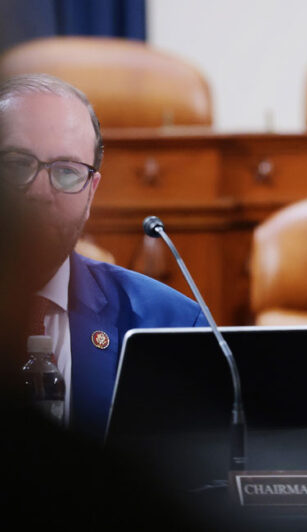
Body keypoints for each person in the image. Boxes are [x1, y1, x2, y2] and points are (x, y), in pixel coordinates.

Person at [0, 74, 205, 442]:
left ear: (91, 193)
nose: (39, 191)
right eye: (16, 164)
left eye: (66, 172)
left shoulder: (169, 326)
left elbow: (199, 483)